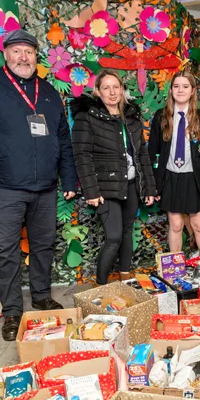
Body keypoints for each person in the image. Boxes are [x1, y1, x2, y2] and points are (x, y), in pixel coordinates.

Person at [0, 29, 78, 341]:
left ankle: (40, 295)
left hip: (46, 187)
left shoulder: (48, 91)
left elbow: (63, 138)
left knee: (44, 246)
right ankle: (12, 310)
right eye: (17, 51)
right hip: (3, 186)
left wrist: (69, 178)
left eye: (29, 52)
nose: (23, 57)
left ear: (36, 56)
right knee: (6, 250)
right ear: (5, 54)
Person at [72, 70, 159, 284]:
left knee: (127, 232)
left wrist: (149, 188)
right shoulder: (88, 117)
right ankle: (101, 285)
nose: (112, 92)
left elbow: (141, 155)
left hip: (130, 184)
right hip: (105, 187)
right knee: (114, 237)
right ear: (98, 92)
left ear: (122, 89)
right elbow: (82, 156)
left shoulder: (131, 117)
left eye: (116, 87)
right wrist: (91, 191)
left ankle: (125, 278)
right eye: (106, 88)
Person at [147, 71, 200, 255]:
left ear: (193, 91)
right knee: (176, 225)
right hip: (171, 177)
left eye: (185, 86)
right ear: (171, 90)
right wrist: (153, 186)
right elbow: (152, 154)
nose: (180, 90)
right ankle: (175, 269)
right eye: (176, 86)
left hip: (194, 179)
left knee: (199, 224)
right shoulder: (161, 117)